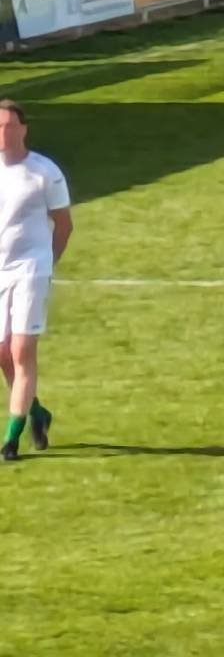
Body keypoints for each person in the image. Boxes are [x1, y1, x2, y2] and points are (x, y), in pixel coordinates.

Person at [0, 100, 72, 462]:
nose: (3, 133)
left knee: (21, 350)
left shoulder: (44, 172)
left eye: (10, 126)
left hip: (30, 270)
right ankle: (37, 412)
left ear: (24, 129)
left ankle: (11, 439)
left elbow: (63, 223)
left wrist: (47, 264)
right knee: (2, 353)